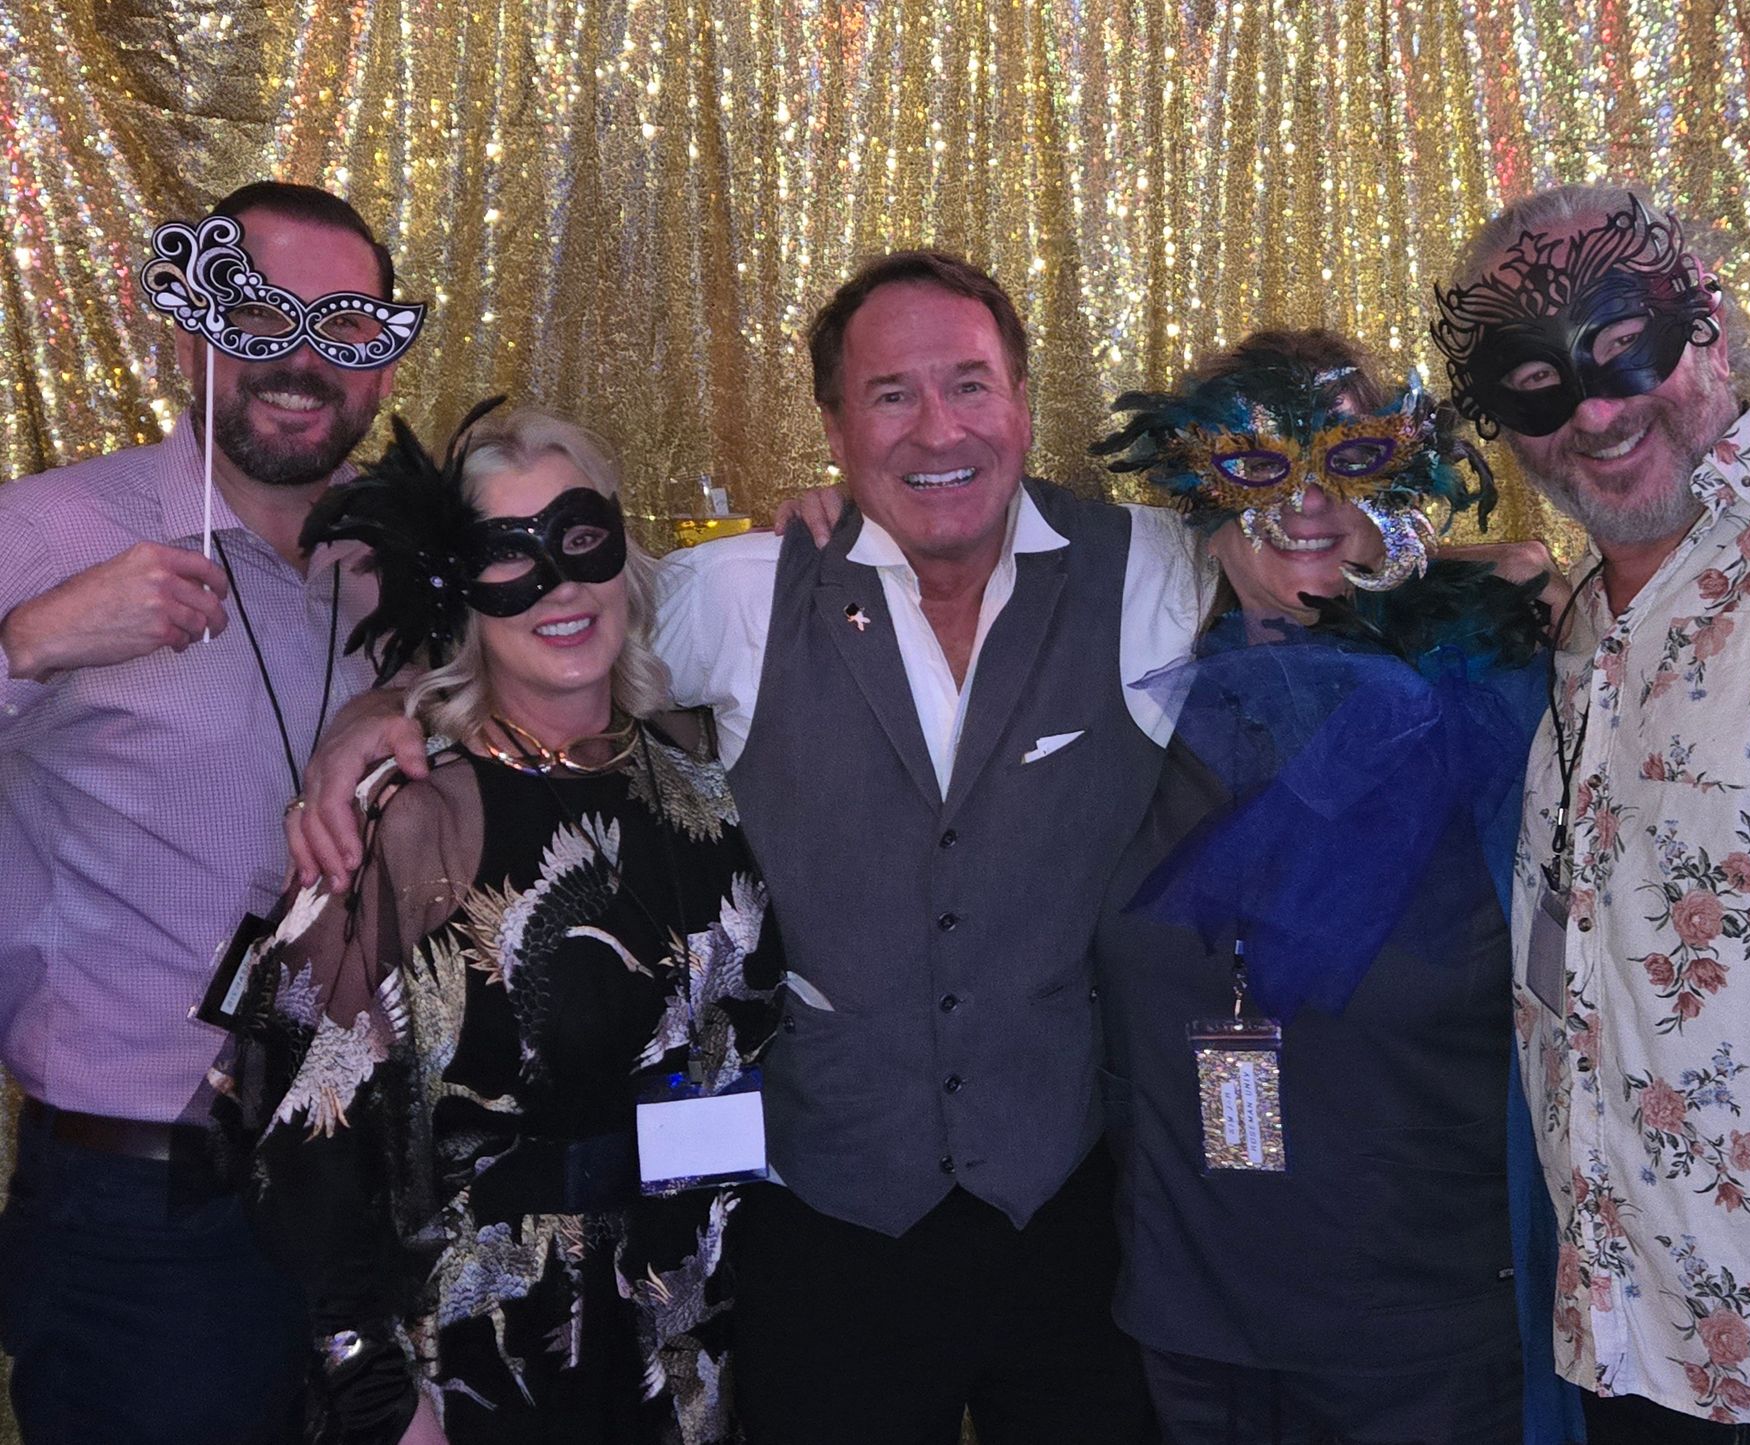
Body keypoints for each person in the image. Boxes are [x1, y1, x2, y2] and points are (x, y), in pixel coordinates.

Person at [292, 248, 1206, 1442]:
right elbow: (540, 618)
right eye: (891, 394)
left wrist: (1503, 578)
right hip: (821, 1226)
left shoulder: (1152, 570)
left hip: (1069, 1213)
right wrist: (376, 714)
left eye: (972, 383)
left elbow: (1319, 579)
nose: (939, 425)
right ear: (834, 423)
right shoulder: (736, 591)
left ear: (1026, 400)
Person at [1433, 185, 1750, 1440]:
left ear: (1704, 313)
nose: (1594, 410)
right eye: (1534, 382)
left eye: (1621, 342)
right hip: (1636, 1345)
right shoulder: (1592, 612)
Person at [214, 403, 778, 1445]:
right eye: (504, 556)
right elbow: (294, 1125)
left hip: (683, 1325)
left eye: (576, 537)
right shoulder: (411, 811)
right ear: (458, 594)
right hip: (485, 1347)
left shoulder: (699, 775)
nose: (557, 585)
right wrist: (379, 1386)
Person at [1088, 329, 1572, 1444]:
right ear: (1194, 496)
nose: (1308, 501)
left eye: (1353, 457)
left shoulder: (1511, 699)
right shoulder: (1132, 689)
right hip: (1196, 1331)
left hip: (1431, 1344)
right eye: (1258, 464)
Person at [0, 180, 408, 1443]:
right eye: (255, 313)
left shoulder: (393, 563)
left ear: (381, 371)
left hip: (369, 1191)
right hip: (142, 1212)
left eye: (343, 329)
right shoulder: (50, 529)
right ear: (189, 331)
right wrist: (30, 638)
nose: (298, 358)